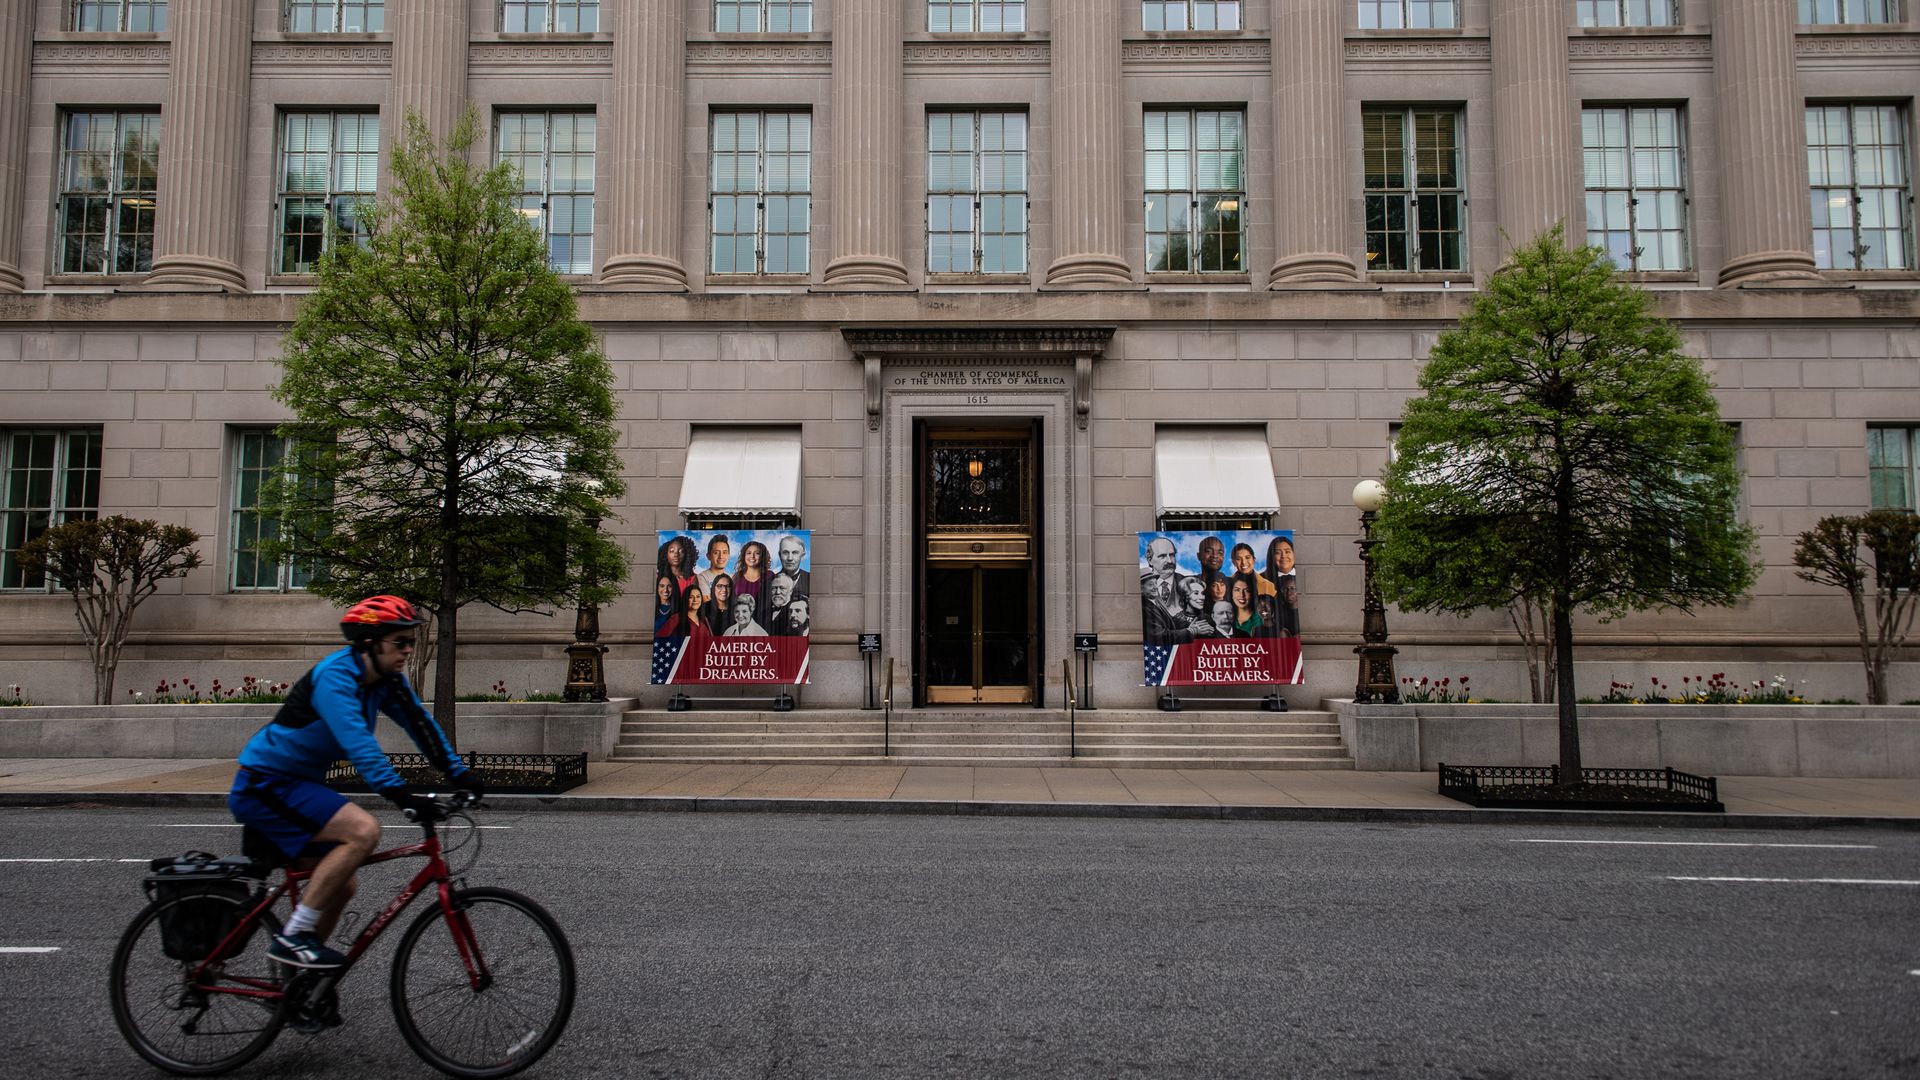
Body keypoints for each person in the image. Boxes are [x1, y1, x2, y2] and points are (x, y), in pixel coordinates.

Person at [227, 596, 481, 972]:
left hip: (299, 785)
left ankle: (303, 984)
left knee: (340, 886)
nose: (408, 650)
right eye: (400, 642)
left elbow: (420, 726)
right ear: (369, 642)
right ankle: (293, 939)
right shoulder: (336, 677)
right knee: (363, 831)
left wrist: (461, 775)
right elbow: (357, 742)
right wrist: (401, 796)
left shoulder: (385, 682)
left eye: (410, 642)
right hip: (266, 785)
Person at [733, 540, 772, 611]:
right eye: (748, 553)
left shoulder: (769, 575)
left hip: (763, 618)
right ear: (744, 556)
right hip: (740, 618)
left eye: (757, 553)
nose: (752, 556)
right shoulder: (737, 576)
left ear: (762, 556)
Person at [775, 534, 811, 598]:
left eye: (795, 553)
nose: (790, 558)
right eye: (785, 552)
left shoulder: (811, 579)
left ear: (802, 556)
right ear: (779, 555)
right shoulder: (769, 582)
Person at [652, 573, 686, 639]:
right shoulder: (651, 608)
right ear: (657, 588)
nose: (665, 590)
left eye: (669, 586)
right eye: (662, 586)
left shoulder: (679, 610)